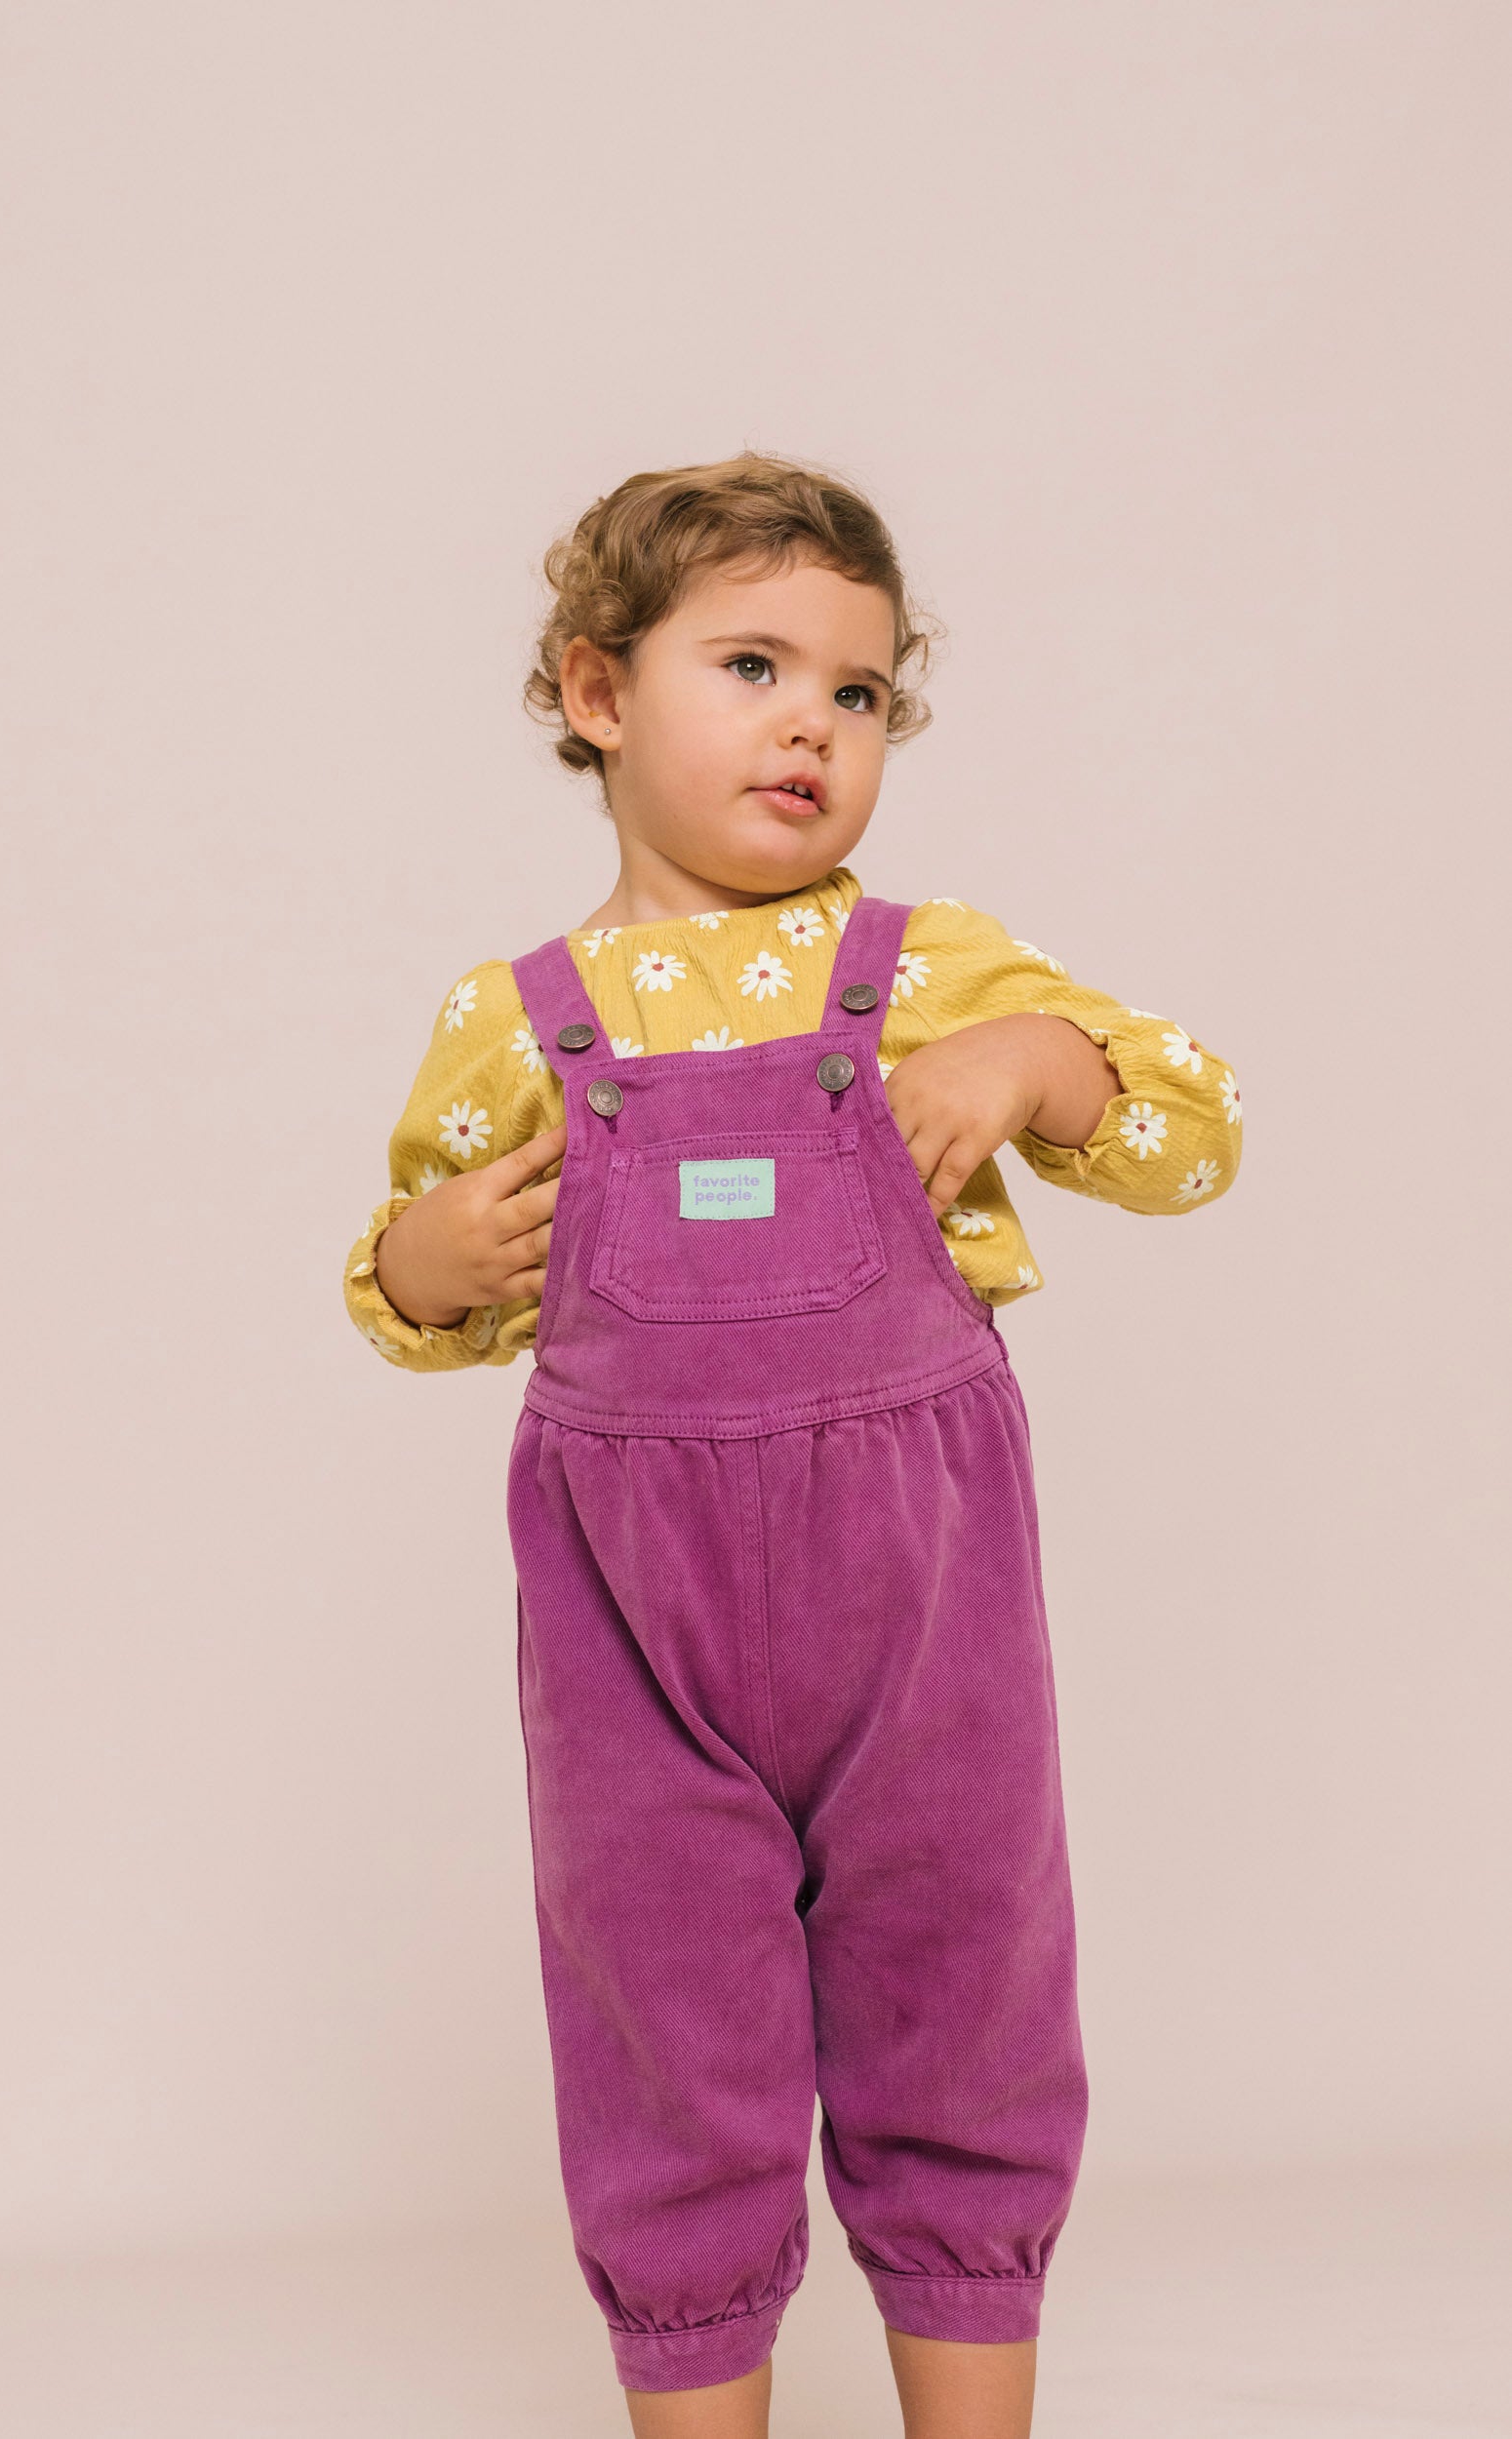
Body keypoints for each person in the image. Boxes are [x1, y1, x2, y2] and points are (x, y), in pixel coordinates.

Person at [342, 454, 1242, 2439]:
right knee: (662, 2018)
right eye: (752, 666)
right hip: (631, 1633)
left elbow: (1193, 1133)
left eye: (857, 690)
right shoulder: (517, 1019)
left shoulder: (922, 967)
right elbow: (419, 1290)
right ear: (599, 690)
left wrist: (1034, 1062)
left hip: (924, 1612)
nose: (814, 725)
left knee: (965, 1985)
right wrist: (423, 1257)